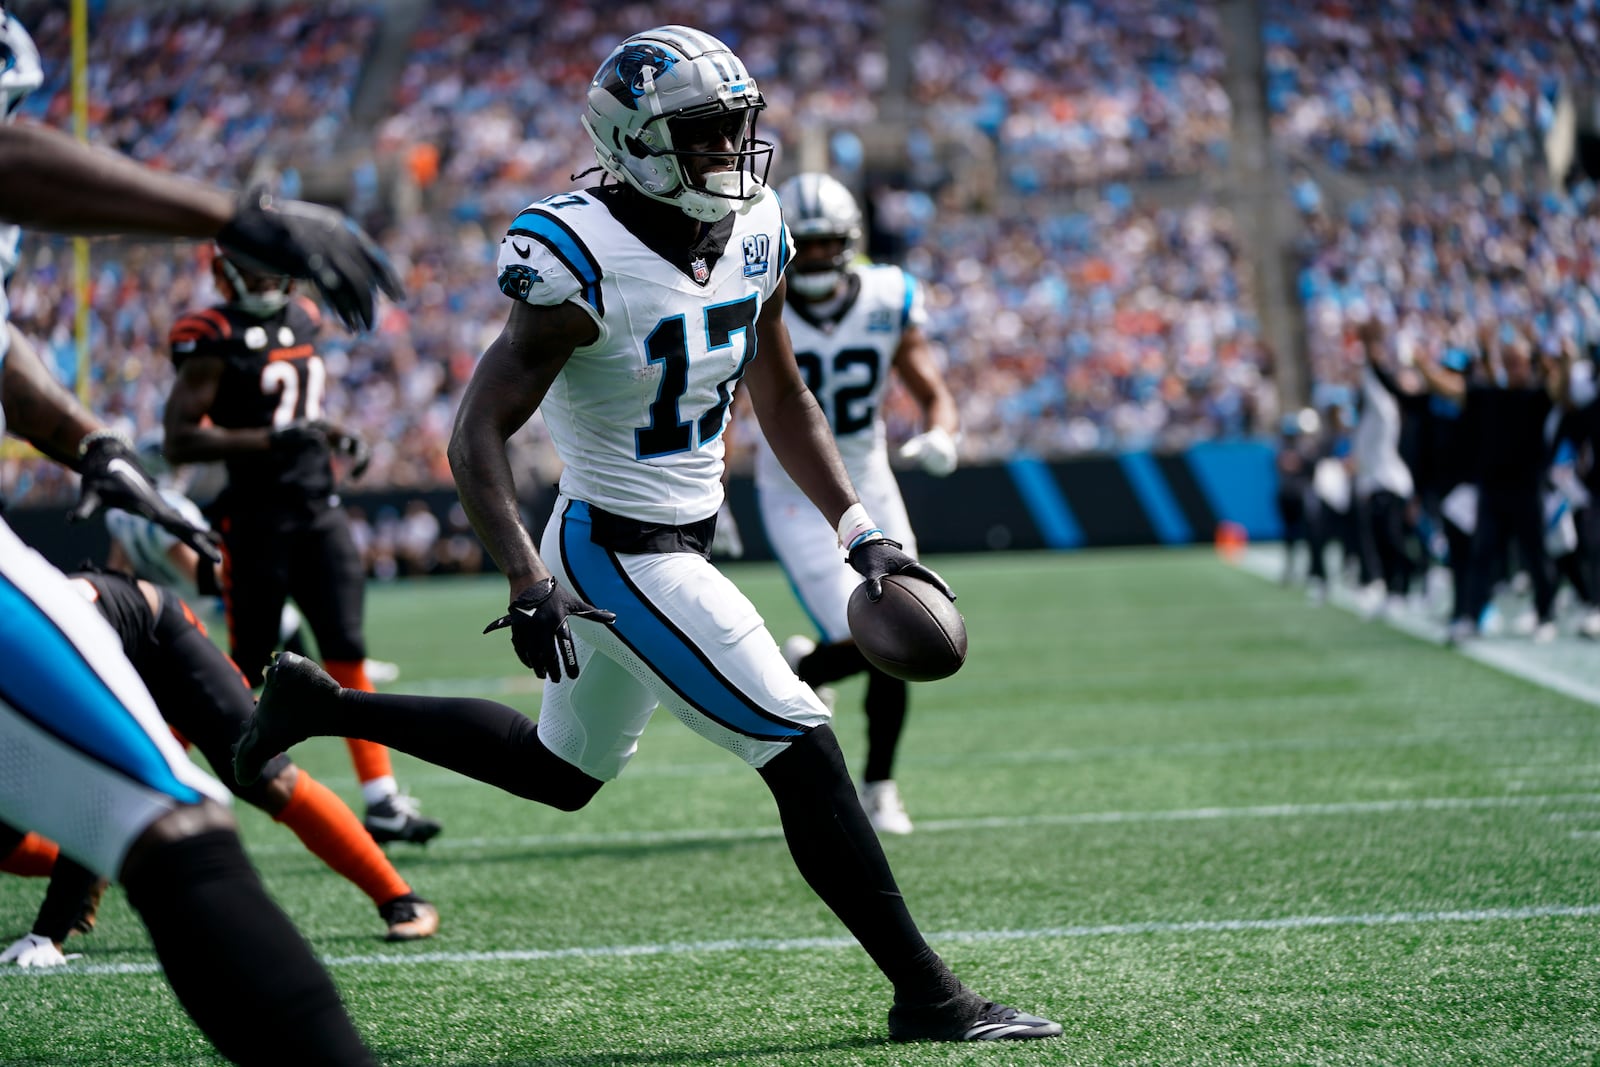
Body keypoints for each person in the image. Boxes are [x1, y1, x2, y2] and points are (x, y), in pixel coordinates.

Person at [236, 25, 1060, 1044]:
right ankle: (927, 993)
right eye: (703, 135)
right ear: (634, 141)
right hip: (615, 551)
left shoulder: (755, 227)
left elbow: (783, 393)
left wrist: (861, 533)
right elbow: (474, 434)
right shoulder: (575, 254)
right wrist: (525, 576)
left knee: (561, 771)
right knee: (800, 741)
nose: (730, 155)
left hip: (670, 538)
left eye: (736, 131)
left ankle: (318, 700)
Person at [0, 7, 397, 1062]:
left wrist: (94, 446)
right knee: (172, 820)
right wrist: (235, 210)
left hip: (215, 569)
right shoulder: (209, 327)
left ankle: (390, 849)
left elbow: (11, 365)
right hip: (201, 561)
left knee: (200, 785)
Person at [0, 560, 439, 967]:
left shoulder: (31, 643)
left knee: (265, 778)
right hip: (104, 652)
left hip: (161, 643)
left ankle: (400, 899)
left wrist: (47, 933)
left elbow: (92, 784)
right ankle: (103, 868)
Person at [162, 249, 440, 845]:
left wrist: (335, 433)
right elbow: (180, 440)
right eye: (253, 263)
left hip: (320, 511)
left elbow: (302, 410)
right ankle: (159, 773)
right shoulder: (212, 335)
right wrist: (269, 439)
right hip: (257, 520)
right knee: (243, 663)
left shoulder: (305, 317)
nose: (266, 274)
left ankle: (382, 799)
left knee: (347, 651)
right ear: (224, 270)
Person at [743, 171, 959, 835]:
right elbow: (723, 399)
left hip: (869, 477)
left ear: (849, 243)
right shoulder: (756, 299)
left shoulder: (888, 295)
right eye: (799, 245)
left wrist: (944, 430)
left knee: (907, 616)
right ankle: (810, 667)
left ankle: (879, 781)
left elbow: (931, 387)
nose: (810, 257)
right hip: (793, 489)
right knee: (875, 629)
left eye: (823, 244)